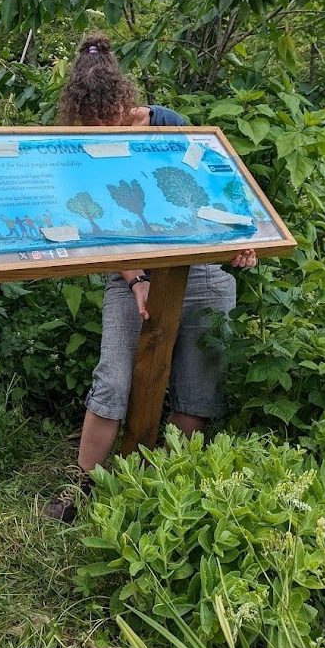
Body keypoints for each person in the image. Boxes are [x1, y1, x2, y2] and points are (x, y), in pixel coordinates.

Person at [45, 33, 257, 523]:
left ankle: (166, 493)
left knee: (198, 386)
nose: (102, 133)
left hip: (198, 269)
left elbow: (215, 190)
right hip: (128, 272)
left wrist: (242, 236)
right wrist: (137, 278)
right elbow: (95, 221)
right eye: (90, 127)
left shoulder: (169, 127)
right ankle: (79, 489)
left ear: (127, 105)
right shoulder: (79, 145)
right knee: (112, 382)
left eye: (110, 123)